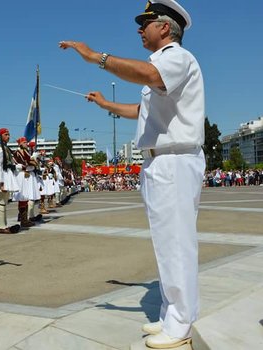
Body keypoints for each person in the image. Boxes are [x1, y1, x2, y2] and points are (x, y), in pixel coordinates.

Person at [59, 1, 206, 348]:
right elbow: (141, 110)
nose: (140, 29)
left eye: (146, 23)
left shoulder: (175, 58)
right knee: (165, 243)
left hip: (174, 159)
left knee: (177, 243)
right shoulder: (163, 64)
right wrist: (105, 105)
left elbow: (150, 77)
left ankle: (181, 322)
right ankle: (171, 314)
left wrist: (96, 57)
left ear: (165, 28)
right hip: (158, 161)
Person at [0, 128, 20, 234]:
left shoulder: (5, 148)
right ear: (1, 136)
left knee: (4, 202)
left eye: (8, 134)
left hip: (6, 176)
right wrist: (1, 183)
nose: (8, 136)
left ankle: (4, 225)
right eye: (6, 134)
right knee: (1, 202)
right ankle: (2, 227)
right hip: (2, 178)